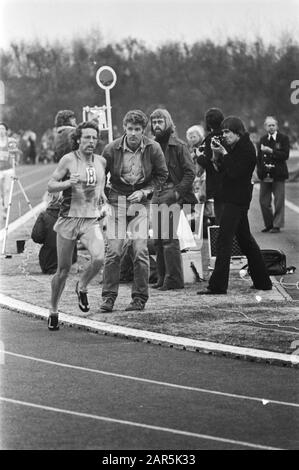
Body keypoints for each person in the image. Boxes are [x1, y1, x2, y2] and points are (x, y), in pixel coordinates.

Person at [100, 109, 168, 312]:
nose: (133, 133)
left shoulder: (153, 148)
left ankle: (139, 297)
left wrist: (145, 191)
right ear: (124, 129)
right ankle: (108, 297)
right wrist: (102, 196)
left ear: (143, 131)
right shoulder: (111, 149)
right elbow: (100, 174)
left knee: (140, 251)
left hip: (140, 204)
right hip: (116, 202)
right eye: (129, 129)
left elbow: (162, 175)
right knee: (113, 252)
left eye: (137, 129)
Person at [197, 116, 272, 295]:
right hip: (231, 197)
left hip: (237, 200)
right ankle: (263, 281)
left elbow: (236, 173)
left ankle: (218, 285)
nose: (225, 135)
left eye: (227, 132)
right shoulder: (233, 147)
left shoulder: (246, 149)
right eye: (223, 132)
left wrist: (224, 154)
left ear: (238, 132)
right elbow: (220, 171)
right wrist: (212, 156)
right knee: (246, 241)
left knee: (224, 240)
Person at [47, 121, 106, 330]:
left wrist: (103, 201)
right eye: (87, 137)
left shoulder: (101, 162)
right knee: (63, 270)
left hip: (90, 220)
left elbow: (100, 187)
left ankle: (82, 286)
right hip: (68, 219)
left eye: (94, 137)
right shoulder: (68, 160)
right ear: (78, 139)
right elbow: (51, 185)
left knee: (99, 257)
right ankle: (53, 310)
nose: (91, 141)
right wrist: (68, 183)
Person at [150, 108, 197, 290]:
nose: (156, 125)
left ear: (167, 122)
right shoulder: (152, 146)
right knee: (158, 240)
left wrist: (177, 193)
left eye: (160, 121)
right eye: (154, 122)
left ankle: (174, 280)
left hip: (172, 192)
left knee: (169, 240)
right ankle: (162, 278)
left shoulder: (179, 145)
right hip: (156, 193)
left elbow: (190, 172)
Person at [256, 116, 290, 233]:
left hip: (279, 174)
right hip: (265, 174)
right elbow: (259, 157)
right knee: (263, 201)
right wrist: (259, 171)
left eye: (273, 125)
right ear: (265, 127)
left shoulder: (283, 138)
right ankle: (269, 223)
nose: (271, 127)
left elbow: (285, 155)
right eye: (269, 125)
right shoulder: (262, 139)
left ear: (277, 126)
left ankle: (277, 224)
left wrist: (271, 151)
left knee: (279, 200)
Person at [31, 193, 77, 274]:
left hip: (50, 264)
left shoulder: (44, 215)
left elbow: (37, 237)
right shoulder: (73, 214)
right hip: (70, 263)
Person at [196, 108, 225, 225]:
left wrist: (199, 156)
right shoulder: (226, 135)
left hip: (215, 182)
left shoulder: (209, 138)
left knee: (219, 213)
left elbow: (207, 161)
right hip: (228, 180)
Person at [0, 122, 18, 219]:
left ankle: (6, 209)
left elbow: (15, 153)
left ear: (6, 131)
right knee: (1, 192)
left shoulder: (10, 141)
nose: (1, 131)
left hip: (9, 169)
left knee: (7, 190)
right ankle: (2, 206)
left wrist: (15, 162)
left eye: (3, 129)